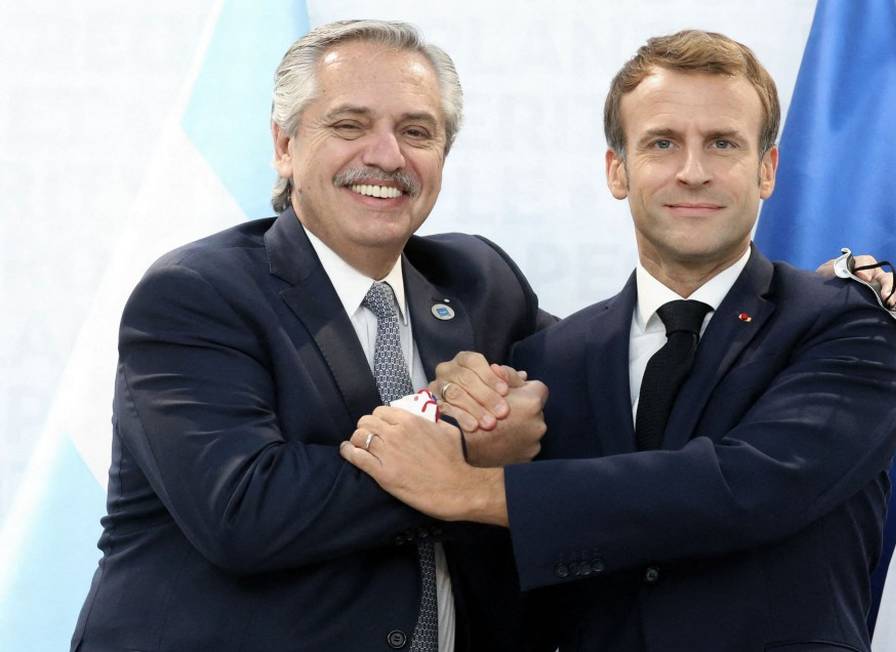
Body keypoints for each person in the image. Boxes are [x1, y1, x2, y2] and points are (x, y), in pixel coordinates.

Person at [342, 29, 896, 652]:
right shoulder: (547, 359)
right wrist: (474, 436)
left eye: (722, 144)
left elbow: (745, 489)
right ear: (618, 169)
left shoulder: (847, 325)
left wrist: (471, 488)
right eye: (663, 143)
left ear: (767, 169)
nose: (693, 172)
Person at [71, 20, 553, 652]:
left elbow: (593, 384)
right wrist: (467, 449)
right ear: (284, 144)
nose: (386, 156)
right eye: (349, 125)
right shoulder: (196, 294)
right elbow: (246, 511)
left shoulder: (479, 281)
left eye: (416, 132)